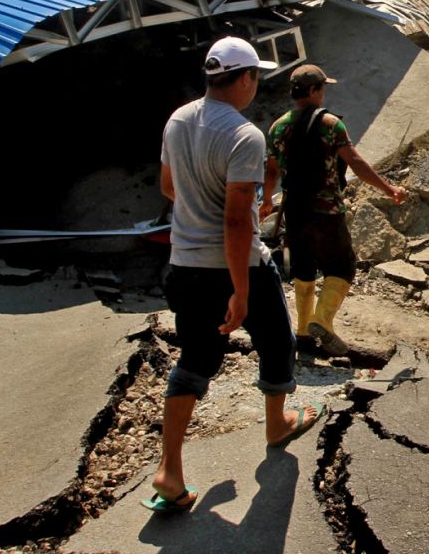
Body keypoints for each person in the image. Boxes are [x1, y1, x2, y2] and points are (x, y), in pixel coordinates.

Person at [149, 38, 322, 515]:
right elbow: (234, 221)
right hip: (237, 265)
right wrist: (241, 292)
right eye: (256, 79)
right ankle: (277, 425)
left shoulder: (178, 119)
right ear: (245, 78)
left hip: (184, 264)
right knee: (276, 339)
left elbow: (169, 187)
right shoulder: (245, 135)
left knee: (196, 358)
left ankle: (170, 469)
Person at [264, 64, 407, 356]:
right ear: (314, 90)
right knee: (342, 266)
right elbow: (355, 162)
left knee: (303, 271)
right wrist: (389, 189)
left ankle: (303, 335)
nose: (324, 92)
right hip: (326, 210)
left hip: (294, 209)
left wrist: (266, 200)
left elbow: (271, 170)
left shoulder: (278, 127)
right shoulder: (330, 125)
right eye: (323, 87)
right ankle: (323, 321)